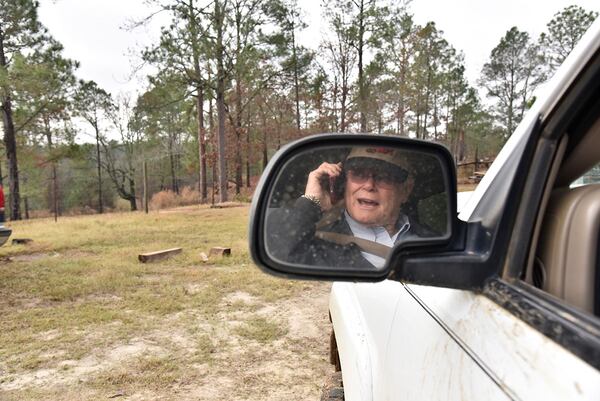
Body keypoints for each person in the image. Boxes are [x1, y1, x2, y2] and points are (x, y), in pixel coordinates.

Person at [267, 146, 434, 269]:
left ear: (406, 190)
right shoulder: (317, 241)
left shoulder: (434, 240)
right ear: (343, 184)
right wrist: (311, 202)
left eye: (385, 176)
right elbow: (278, 252)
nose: (369, 185)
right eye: (359, 174)